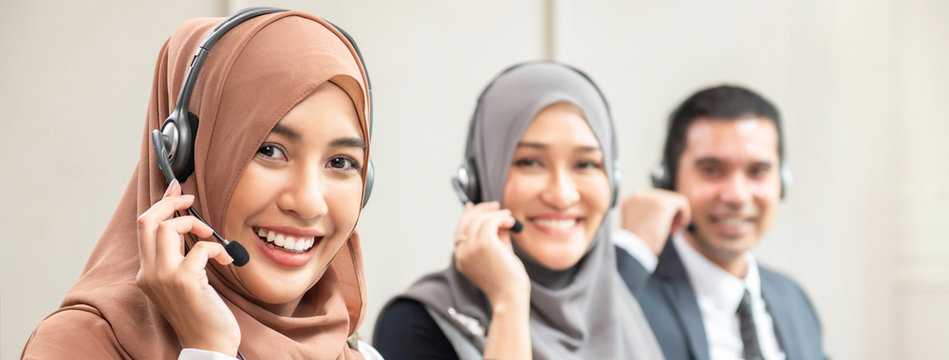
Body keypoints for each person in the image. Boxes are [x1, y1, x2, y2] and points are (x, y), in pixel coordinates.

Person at [21, 9, 382, 359]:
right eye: (269, 150)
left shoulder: (357, 355)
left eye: (341, 162)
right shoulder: (78, 346)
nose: (307, 202)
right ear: (183, 158)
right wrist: (208, 348)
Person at [373, 62, 663, 360]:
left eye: (586, 164)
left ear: (612, 182)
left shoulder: (633, 304)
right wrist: (507, 302)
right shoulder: (416, 325)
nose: (562, 196)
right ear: (479, 180)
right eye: (530, 162)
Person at [614, 85, 826, 360]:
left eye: (758, 171)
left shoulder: (793, 300)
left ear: (782, 183)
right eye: (711, 170)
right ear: (667, 181)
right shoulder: (629, 297)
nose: (737, 196)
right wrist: (630, 249)